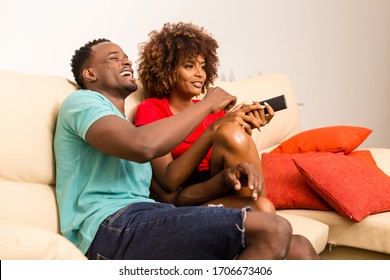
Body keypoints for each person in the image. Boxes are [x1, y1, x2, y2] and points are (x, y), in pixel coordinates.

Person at [54, 38, 319, 260]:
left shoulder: (128, 124)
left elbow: (167, 196)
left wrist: (224, 177)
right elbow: (143, 146)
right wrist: (206, 104)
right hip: (108, 228)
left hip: (152, 215)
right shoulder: (82, 102)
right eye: (114, 58)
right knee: (273, 229)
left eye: (126, 57)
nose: (127, 61)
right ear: (90, 74)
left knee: (299, 247)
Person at [134, 22, 275, 213]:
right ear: (166, 70)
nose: (199, 74)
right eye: (189, 66)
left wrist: (248, 125)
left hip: (222, 181)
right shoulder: (152, 109)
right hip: (191, 194)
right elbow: (169, 181)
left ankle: (259, 224)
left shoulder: (215, 111)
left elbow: (233, 153)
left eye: (202, 66)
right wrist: (214, 128)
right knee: (264, 209)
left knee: (231, 133)